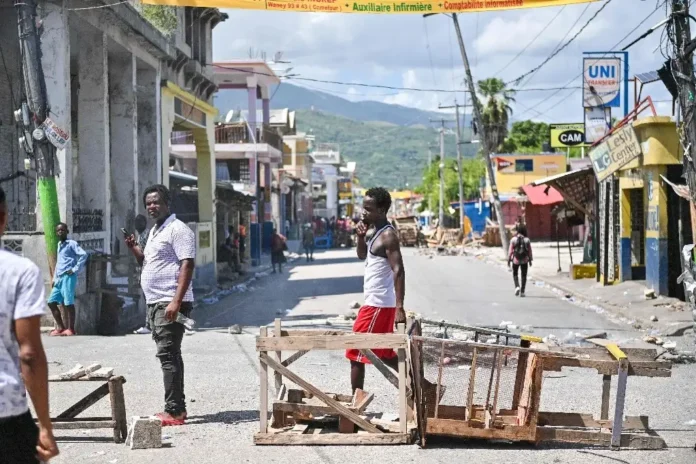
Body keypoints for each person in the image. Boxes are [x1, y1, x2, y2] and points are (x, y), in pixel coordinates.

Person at [125, 184, 196, 426]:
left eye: (156, 202)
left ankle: (174, 411)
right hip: (157, 302)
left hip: (170, 302)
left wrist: (176, 301)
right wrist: (134, 248)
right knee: (170, 354)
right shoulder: (156, 231)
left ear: (167, 203)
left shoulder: (178, 230)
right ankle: (177, 408)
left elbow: (187, 264)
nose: (152, 207)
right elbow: (147, 262)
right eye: (148, 204)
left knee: (168, 355)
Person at [0, 186, 60, 463]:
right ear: (4, 218)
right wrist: (45, 426)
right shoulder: (18, 271)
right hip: (6, 413)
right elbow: (29, 354)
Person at [346, 187, 406, 393]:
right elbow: (362, 255)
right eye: (363, 208)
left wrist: (400, 307)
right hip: (376, 304)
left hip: (377, 305)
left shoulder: (388, 235)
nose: (363, 212)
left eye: (368, 209)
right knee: (383, 352)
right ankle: (424, 386)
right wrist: (360, 237)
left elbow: (398, 270)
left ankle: (356, 402)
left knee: (356, 350)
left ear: (381, 210)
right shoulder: (374, 232)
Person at [47, 222, 87, 336]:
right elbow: (59, 262)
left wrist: (74, 269)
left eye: (62, 230)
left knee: (68, 302)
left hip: (68, 276)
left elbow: (83, 255)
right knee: (51, 302)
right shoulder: (59, 244)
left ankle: (71, 329)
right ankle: (61, 327)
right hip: (59, 278)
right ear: (56, 233)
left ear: (67, 231)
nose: (60, 232)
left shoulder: (71, 244)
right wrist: (54, 278)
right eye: (58, 230)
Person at [508, 223, 533, 297]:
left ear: (518, 231)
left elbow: (510, 251)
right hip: (524, 260)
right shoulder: (527, 240)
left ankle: (517, 286)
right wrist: (530, 260)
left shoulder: (513, 240)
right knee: (524, 275)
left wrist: (509, 259)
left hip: (516, 260)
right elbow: (529, 251)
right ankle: (522, 291)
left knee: (515, 273)